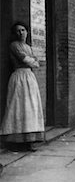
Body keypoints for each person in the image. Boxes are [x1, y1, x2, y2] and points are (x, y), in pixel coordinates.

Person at [0, 22, 45, 151]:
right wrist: (32, 61)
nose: (21, 33)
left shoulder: (28, 47)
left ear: (27, 32)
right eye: (18, 31)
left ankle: (29, 140)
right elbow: (26, 60)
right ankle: (15, 141)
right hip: (19, 77)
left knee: (31, 107)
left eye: (23, 30)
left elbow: (36, 63)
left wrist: (33, 61)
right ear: (15, 33)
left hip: (30, 77)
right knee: (18, 106)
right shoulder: (14, 45)